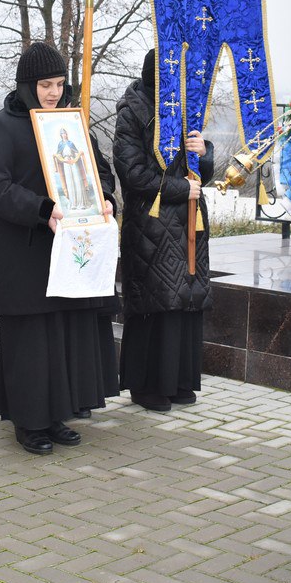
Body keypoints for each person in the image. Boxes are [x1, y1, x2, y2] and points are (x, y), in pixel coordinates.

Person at [0, 42, 118, 455]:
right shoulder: (2, 127)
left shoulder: (73, 125)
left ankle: (56, 414)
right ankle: (29, 422)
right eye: (45, 84)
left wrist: (106, 198)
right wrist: (42, 208)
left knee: (60, 336)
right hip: (28, 251)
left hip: (71, 253)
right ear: (27, 85)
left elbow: (99, 172)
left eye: (58, 84)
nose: (53, 92)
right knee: (32, 340)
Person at [112, 49, 213, 412]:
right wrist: (179, 190)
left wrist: (205, 152)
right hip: (151, 223)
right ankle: (147, 384)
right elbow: (133, 173)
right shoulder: (133, 111)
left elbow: (200, 165)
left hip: (188, 220)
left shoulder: (185, 109)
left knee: (185, 299)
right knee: (156, 301)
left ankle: (179, 379)